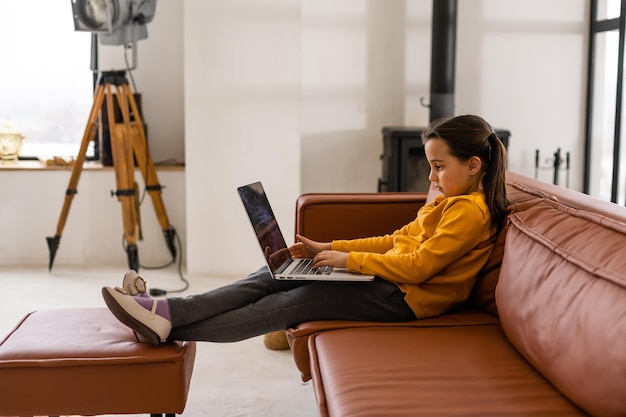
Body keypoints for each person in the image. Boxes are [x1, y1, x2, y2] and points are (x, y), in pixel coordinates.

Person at [102, 114, 510, 346]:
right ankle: (166, 310)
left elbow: (419, 266)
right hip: (388, 280)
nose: (431, 174)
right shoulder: (446, 200)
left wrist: (347, 260)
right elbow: (394, 241)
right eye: (430, 165)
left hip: (405, 298)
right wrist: (327, 246)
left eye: (439, 166)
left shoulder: (470, 213)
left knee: (293, 301)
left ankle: (165, 324)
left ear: (473, 165)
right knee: (272, 274)